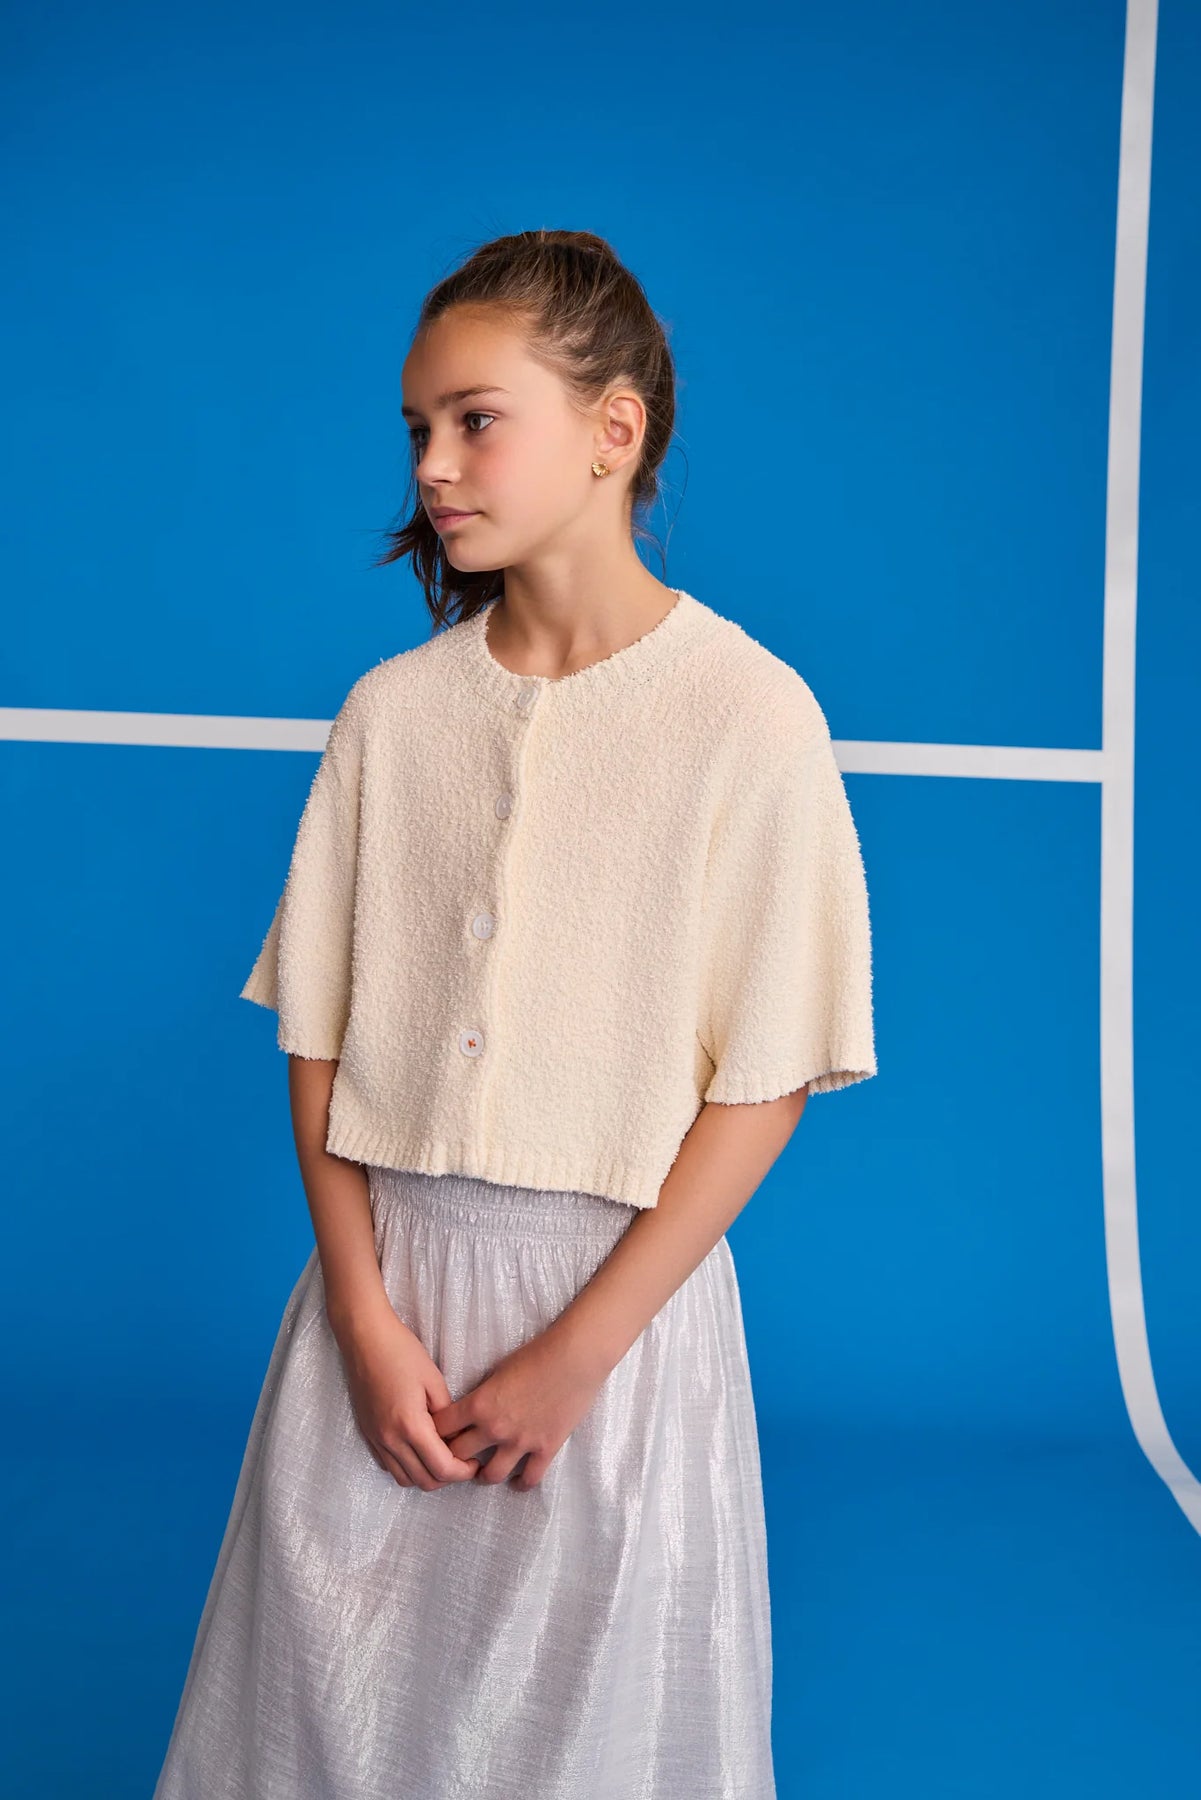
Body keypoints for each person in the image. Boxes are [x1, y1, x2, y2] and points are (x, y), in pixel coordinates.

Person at [152, 226, 877, 1800]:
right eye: (417, 427)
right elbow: (318, 1038)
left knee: (584, 1737)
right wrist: (360, 1319)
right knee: (332, 1716)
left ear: (613, 430)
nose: (432, 464)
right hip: (384, 1309)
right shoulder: (392, 714)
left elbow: (763, 1078)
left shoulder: (748, 716)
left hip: (614, 1321)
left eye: (475, 419)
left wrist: (576, 1356)